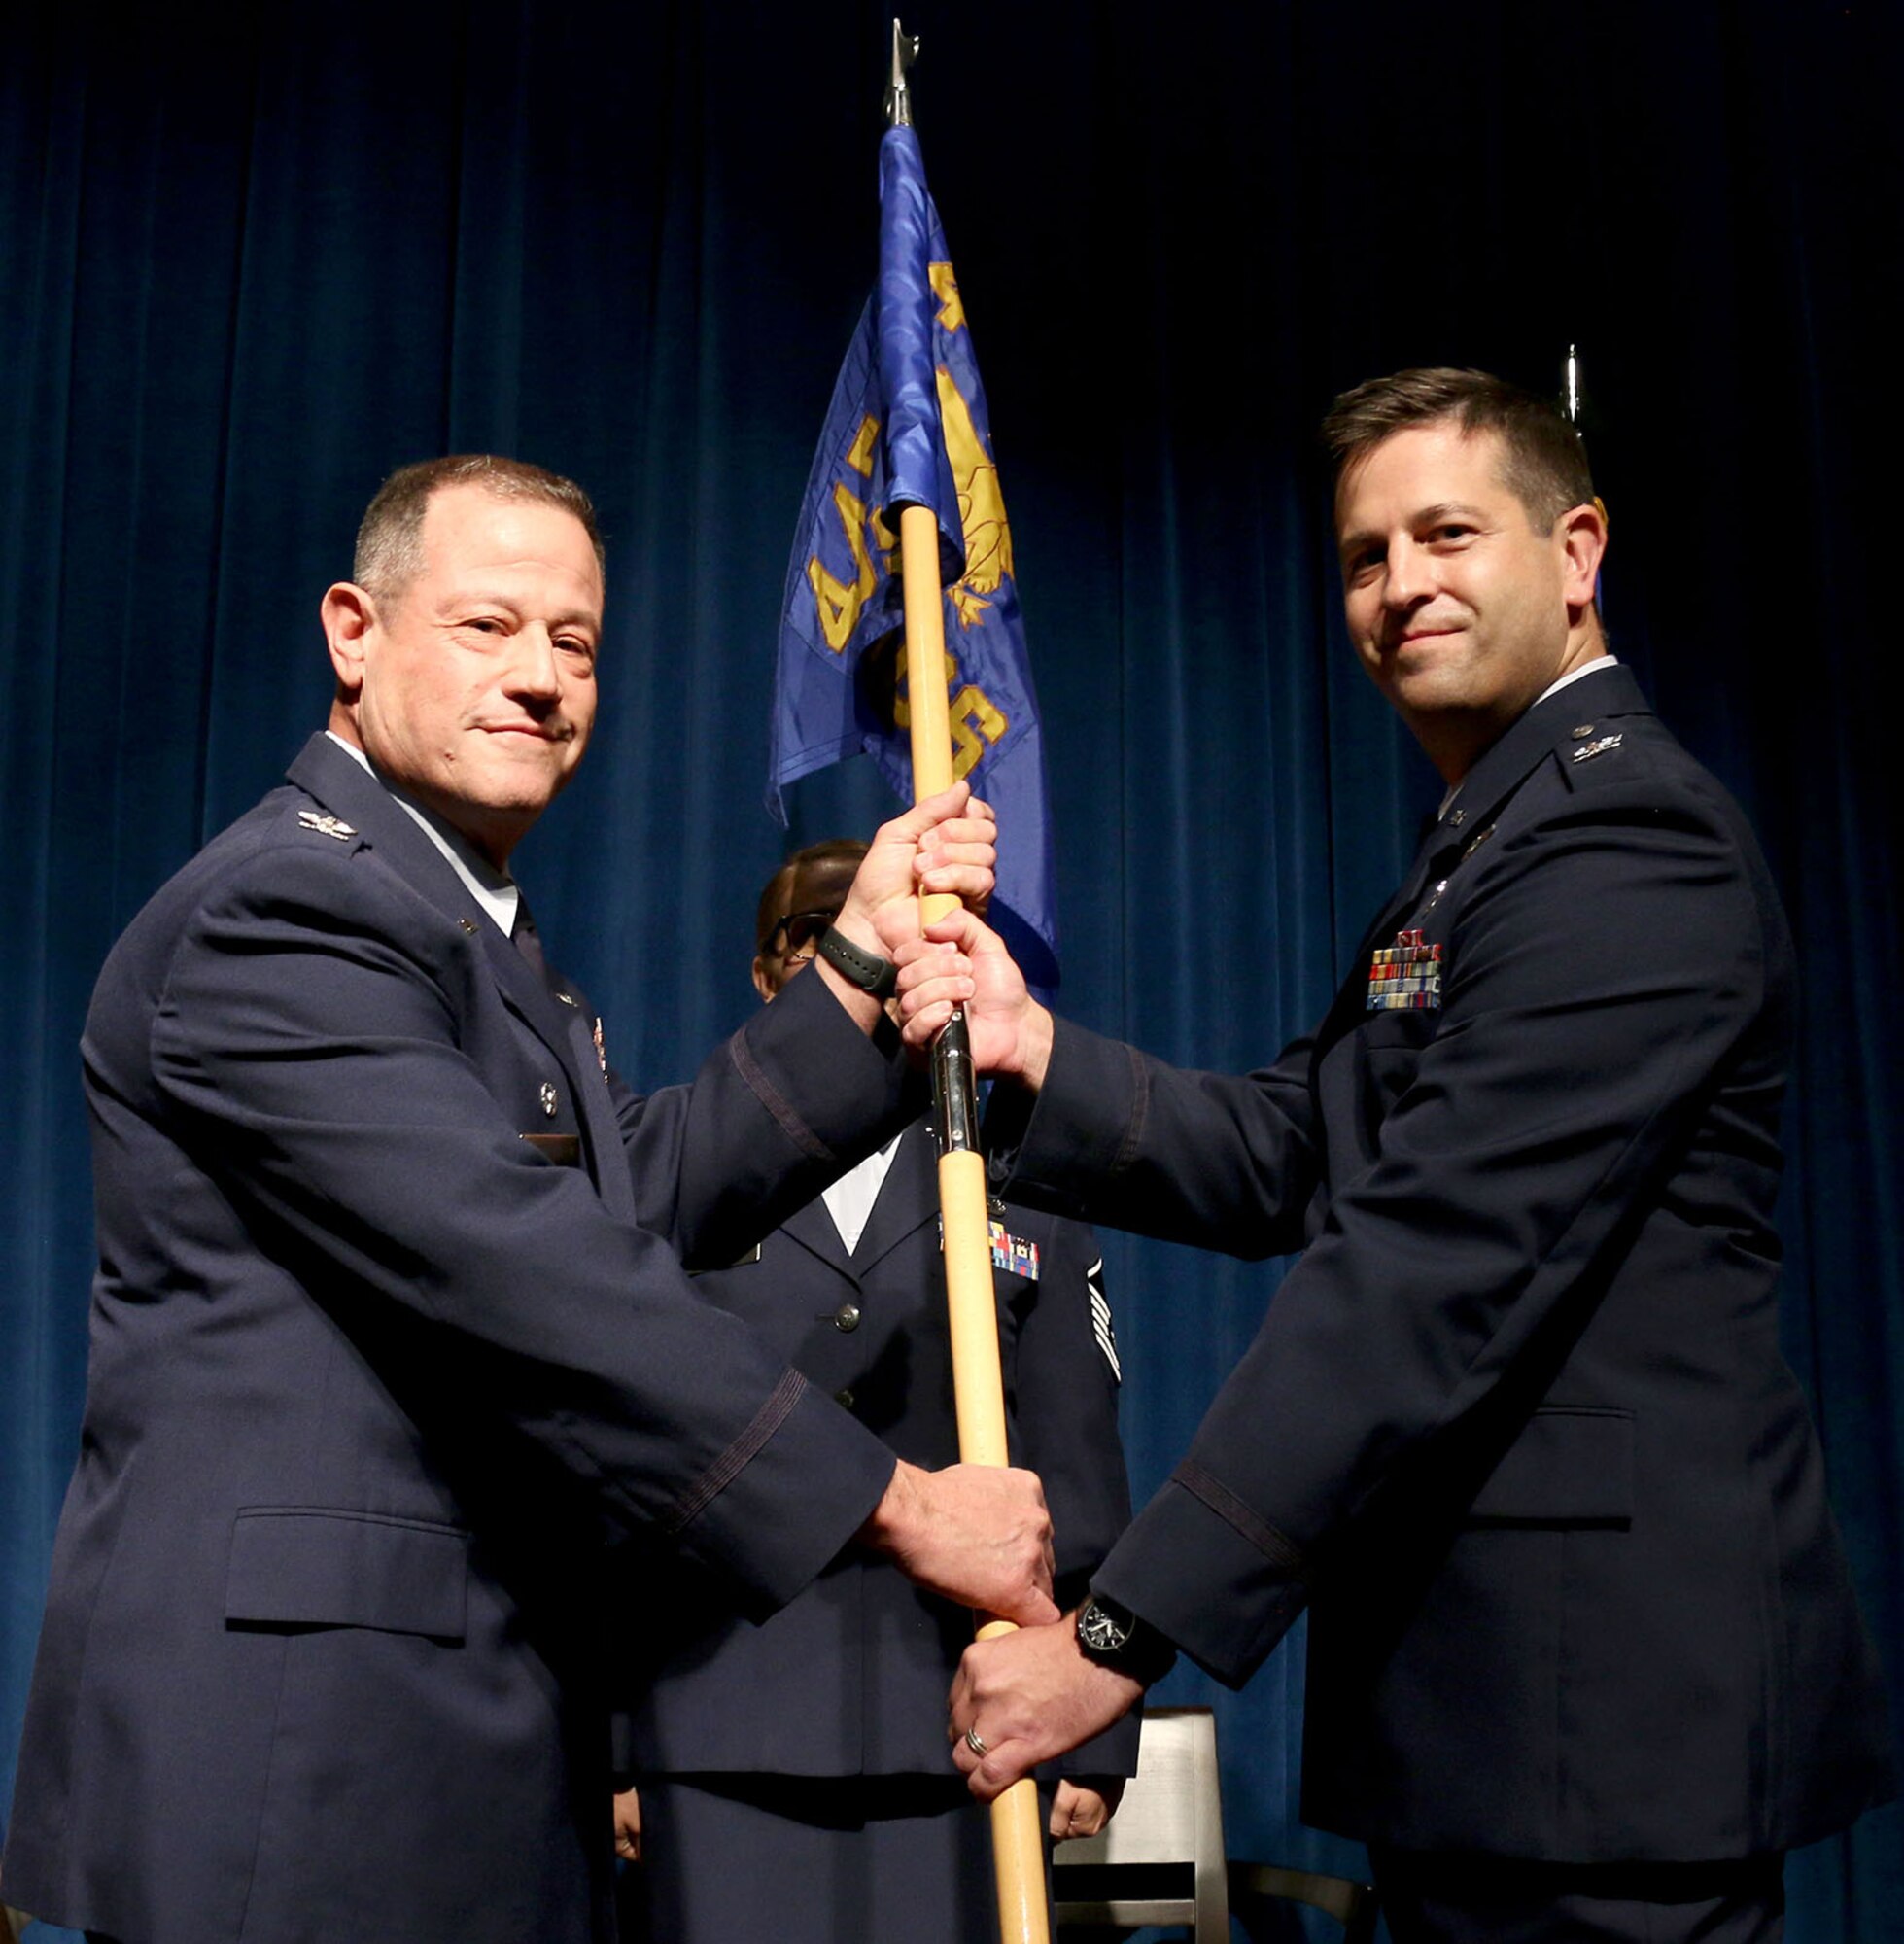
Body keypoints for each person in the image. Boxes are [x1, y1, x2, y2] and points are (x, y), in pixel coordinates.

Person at [0, 455, 1058, 1944]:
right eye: (488, 626)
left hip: (450, 1736)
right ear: (353, 633)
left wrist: (861, 968)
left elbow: (642, 1187)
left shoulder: (465, 923)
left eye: (572, 642)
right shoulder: (288, 911)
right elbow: (526, 1271)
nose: (543, 679)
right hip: (303, 1761)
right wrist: (891, 1502)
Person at [894, 371, 1895, 1942]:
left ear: (1574, 552)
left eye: (1444, 533)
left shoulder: (1623, 842)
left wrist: (1112, 1630)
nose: (1397, 584)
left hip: (1603, 1735)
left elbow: (1421, 1263)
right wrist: (1037, 1057)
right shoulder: (1481, 849)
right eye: (1362, 555)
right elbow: (1309, 1148)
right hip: (1493, 1723)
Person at [611, 839, 1138, 1943]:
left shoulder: (1011, 1182)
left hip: (955, 1728)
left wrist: (1095, 1722)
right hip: (715, 1723)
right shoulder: (674, 1169)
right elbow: (621, 1469)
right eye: (812, 945)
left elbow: (1078, 1459)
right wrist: (612, 1731)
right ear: (771, 978)